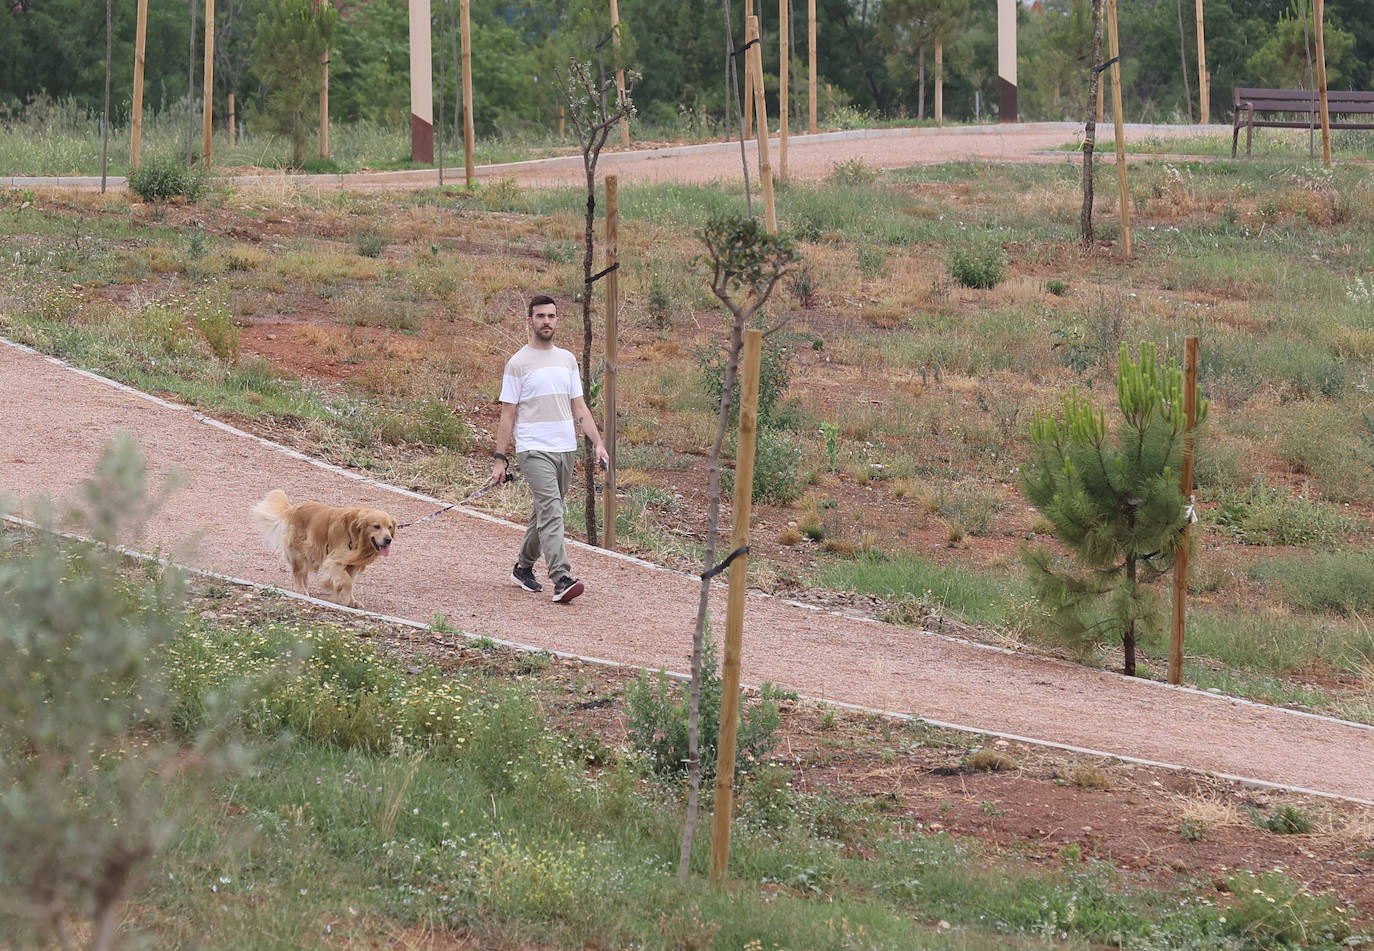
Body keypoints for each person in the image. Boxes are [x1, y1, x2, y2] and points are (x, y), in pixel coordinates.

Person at [491, 294, 609, 603]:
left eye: (551, 316)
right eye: (541, 316)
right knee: (552, 510)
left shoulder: (567, 360)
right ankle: (561, 578)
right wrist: (500, 459)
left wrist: (598, 443)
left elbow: (579, 407)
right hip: (533, 449)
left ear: (557, 320)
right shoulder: (517, 363)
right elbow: (507, 415)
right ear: (530, 321)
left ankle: (523, 568)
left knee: (546, 510)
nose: (546, 321)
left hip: (565, 449)